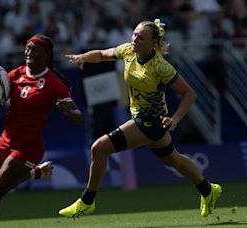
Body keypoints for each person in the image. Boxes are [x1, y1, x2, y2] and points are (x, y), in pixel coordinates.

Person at [59, 19, 222, 218]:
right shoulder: (128, 51)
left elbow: (190, 94)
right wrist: (83, 57)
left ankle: (86, 201)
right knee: (173, 160)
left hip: (151, 122)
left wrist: (176, 118)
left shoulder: (161, 67)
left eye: (141, 37)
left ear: (153, 43)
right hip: (144, 120)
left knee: (99, 148)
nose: (135, 39)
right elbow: (102, 55)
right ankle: (208, 190)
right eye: (134, 34)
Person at [0, 34, 84, 228]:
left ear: (46, 55)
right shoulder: (15, 75)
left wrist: (70, 112)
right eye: (27, 48)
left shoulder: (54, 83)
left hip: (28, 146)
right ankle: (35, 173)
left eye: (34, 49)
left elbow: (78, 116)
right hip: (6, 139)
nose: (29, 52)